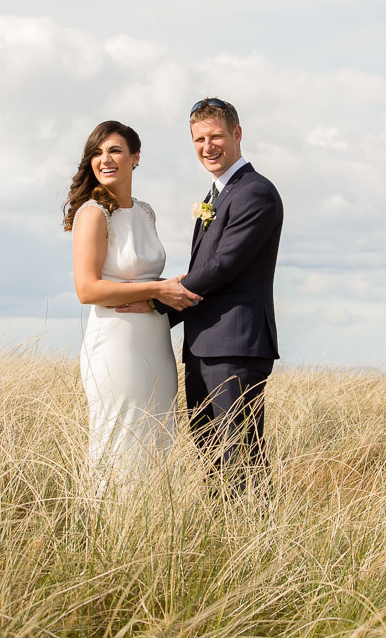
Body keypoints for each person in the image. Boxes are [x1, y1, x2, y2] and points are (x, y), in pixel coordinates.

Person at [120, 98, 283, 490]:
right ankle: (225, 541)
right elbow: (207, 272)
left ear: (237, 134)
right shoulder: (216, 195)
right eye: (198, 139)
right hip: (206, 345)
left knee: (238, 460)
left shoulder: (254, 192)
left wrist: (156, 302)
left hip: (235, 347)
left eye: (216, 137)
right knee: (211, 457)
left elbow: (223, 266)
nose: (207, 147)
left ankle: (250, 542)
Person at [63, 120, 200, 488]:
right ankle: (108, 528)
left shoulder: (146, 212)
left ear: (135, 157)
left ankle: (148, 531)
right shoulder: (92, 214)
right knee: (120, 437)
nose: (104, 159)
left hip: (154, 344)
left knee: (156, 437)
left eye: (114, 150)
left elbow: (145, 276)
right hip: (116, 344)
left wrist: (157, 289)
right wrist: (154, 291)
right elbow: (88, 290)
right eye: (97, 152)